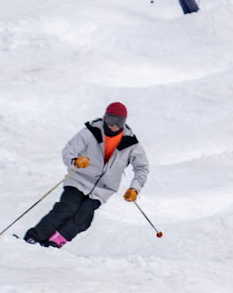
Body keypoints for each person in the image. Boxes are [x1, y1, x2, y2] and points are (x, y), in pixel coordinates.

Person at [24, 103, 150, 249]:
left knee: (83, 218)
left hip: (103, 189)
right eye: (111, 120)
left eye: (119, 122)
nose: (114, 125)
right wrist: (75, 161)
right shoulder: (91, 132)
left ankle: (54, 242)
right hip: (79, 180)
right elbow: (69, 150)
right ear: (105, 117)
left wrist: (134, 189)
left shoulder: (132, 144)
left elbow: (142, 168)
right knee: (66, 209)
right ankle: (33, 237)